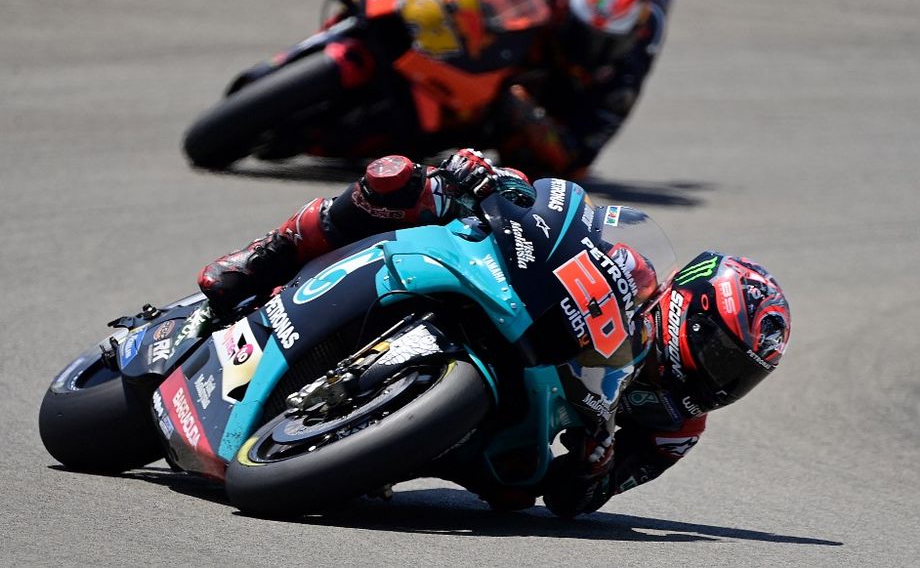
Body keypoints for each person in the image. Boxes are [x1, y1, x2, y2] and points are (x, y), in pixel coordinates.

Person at [198, 149, 790, 517]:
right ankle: (272, 252)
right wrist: (500, 183)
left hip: (523, 412)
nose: (720, 379)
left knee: (513, 494)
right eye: (721, 355)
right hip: (518, 316)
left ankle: (369, 455)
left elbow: (575, 501)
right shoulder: (633, 269)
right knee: (410, 186)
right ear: (690, 308)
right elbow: (560, 214)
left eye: (740, 377)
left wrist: (595, 463)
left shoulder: (676, 426)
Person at [386, 0, 688, 180]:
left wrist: (525, 112)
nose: (592, 50)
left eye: (605, 42)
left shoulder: (628, 65)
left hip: (539, 96)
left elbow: (580, 158)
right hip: (525, 37)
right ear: (565, 5)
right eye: (584, 35)